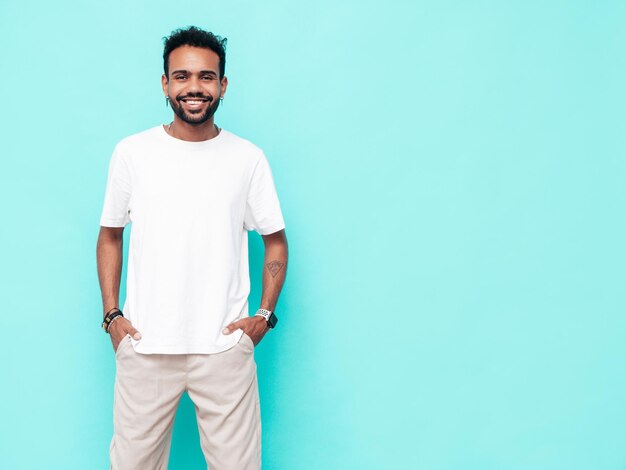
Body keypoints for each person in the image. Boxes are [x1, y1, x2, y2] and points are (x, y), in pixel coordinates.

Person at [96, 26, 288, 470]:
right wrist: (112, 316)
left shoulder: (247, 158)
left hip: (223, 349)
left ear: (222, 84)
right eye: (181, 76)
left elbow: (275, 240)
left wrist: (261, 317)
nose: (194, 87)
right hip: (144, 346)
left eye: (206, 76)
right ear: (165, 84)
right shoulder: (132, 153)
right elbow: (109, 232)